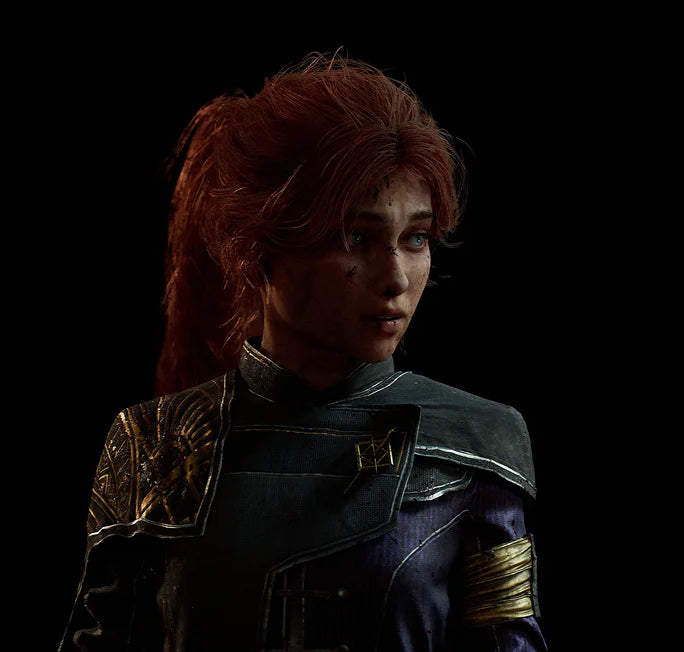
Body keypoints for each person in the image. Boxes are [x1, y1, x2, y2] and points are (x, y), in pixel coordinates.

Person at [60, 50, 547, 651]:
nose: (395, 276)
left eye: (416, 238)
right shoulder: (151, 443)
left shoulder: (477, 442)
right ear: (260, 247)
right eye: (356, 237)